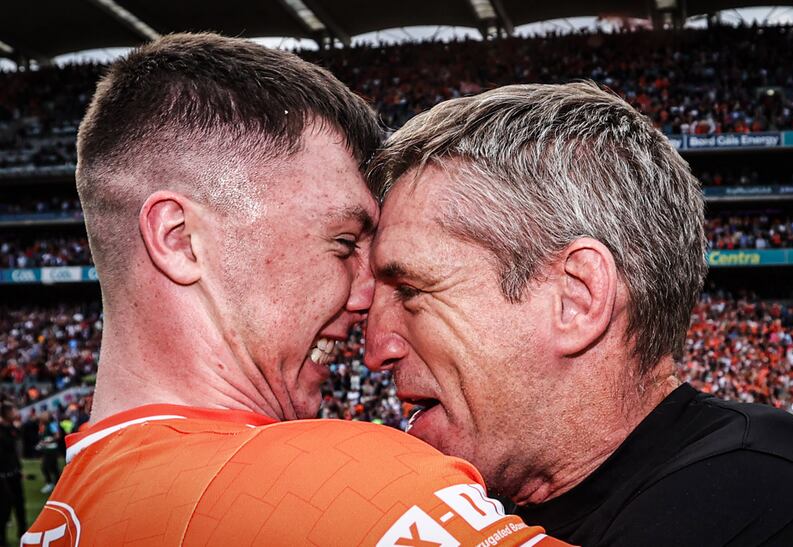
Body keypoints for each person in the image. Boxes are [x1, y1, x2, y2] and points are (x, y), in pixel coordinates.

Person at [24, 34, 567, 547]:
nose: (367, 298)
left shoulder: (68, 514)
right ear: (181, 240)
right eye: (342, 243)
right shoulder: (350, 491)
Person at [364, 82, 793, 546]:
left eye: (411, 289)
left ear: (577, 298)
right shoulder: (480, 505)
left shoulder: (762, 503)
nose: (375, 348)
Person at [0, 400, 26, 546]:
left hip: (14, 472)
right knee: (5, 508)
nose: (16, 412)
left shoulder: (11, 428)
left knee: (20, 506)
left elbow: (16, 438)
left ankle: (23, 534)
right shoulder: (2, 431)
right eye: (13, 410)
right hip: (3, 476)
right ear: (6, 413)